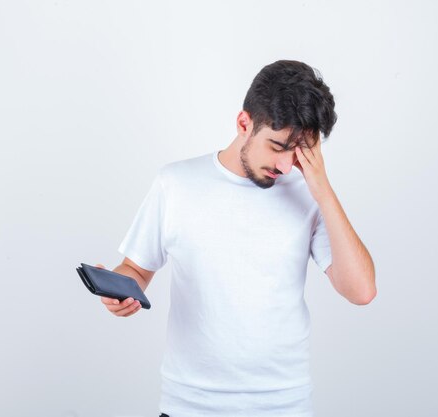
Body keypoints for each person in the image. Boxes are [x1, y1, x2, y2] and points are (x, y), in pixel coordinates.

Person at [96, 60, 376, 417]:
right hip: (190, 405)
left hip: (283, 405)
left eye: (300, 150)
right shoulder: (176, 184)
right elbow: (136, 268)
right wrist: (121, 289)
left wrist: (322, 188)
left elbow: (362, 291)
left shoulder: (309, 193)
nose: (287, 165)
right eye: (278, 146)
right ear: (244, 124)